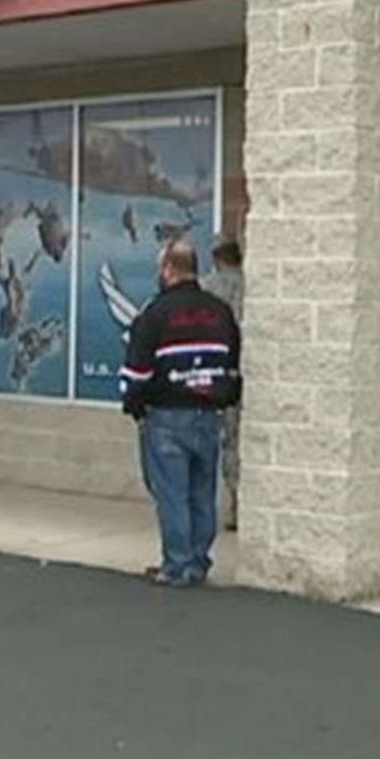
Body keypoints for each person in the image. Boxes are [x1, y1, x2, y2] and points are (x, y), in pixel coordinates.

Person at [120, 238, 242, 588]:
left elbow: (137, 372)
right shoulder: (220, 311)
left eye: (161, 267)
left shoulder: (155, 313)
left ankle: (176, 566)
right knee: (202, 492)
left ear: (168, 269)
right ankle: (197, 562)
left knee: (171, 493)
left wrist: (134, 405)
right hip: (208, 416)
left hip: (166, 415)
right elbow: (231, 365)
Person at [202, 238, 246, 531]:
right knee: (238, 438)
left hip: (212, 375)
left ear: (217, 258)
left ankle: (224, 504)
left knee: (216, 439)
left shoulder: (209, 287)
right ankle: (240, 502)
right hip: (243, 373)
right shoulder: (252, 286)